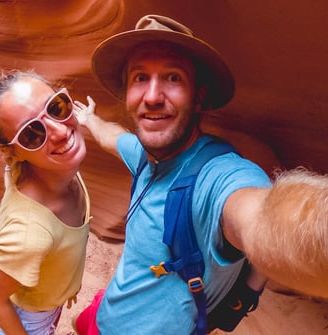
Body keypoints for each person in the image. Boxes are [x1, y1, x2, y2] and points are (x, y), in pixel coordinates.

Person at [71, 14, 272, 335]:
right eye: (139, 78)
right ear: (127, 94)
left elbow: (268, 221)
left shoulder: (220, 176)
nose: (152, 96)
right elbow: (113, 137)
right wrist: (90, 120)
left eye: (173, 78)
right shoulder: (142, 154)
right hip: (108, 314)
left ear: (200, 97)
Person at [0, 70, 91, 335]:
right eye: (32, 134)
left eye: (56, 107)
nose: (61, 131)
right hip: (25, 322)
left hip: (44, 305)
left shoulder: (53, 168)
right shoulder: (29, 232)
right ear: (13, 152)